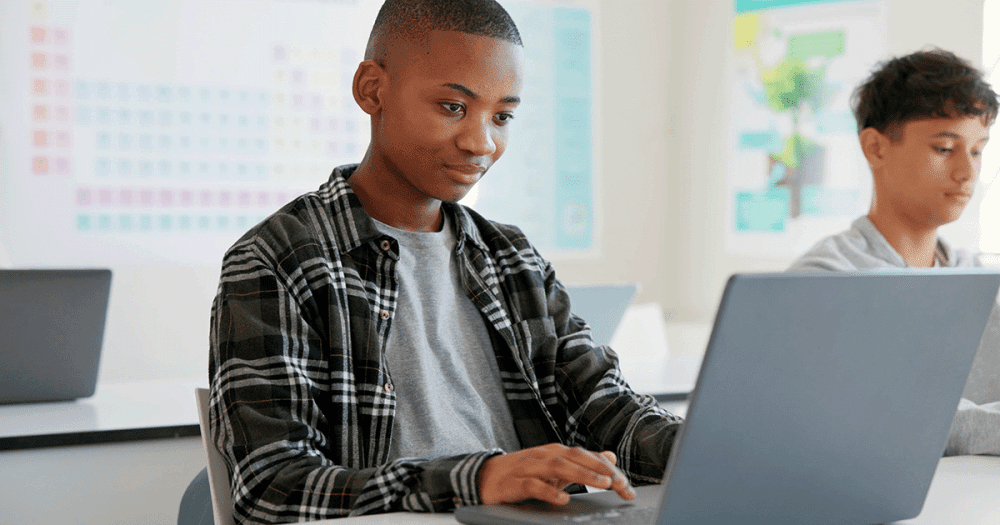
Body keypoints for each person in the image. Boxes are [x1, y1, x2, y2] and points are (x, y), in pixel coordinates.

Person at [208, 0, 681, 522]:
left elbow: (610, 410)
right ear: (372, 90)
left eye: (502, 116)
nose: (481, 142)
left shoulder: (512, 259)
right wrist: (476, 480)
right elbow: (272, 489)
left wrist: (707, 448)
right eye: (453, 107)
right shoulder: (278, 261)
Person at [788, 48, 1000, 456]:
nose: (967, 172)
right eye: (944, 148)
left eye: (977, 150)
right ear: (876, 148)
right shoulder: (825, 278)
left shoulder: (979, 280)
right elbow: (891, 417)